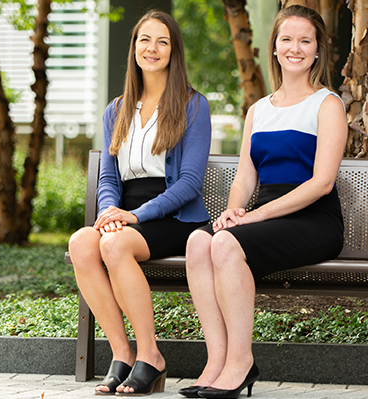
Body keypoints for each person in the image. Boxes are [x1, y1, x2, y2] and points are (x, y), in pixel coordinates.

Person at [180, 5, 347, 399]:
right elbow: (244, 177)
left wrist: (254, 217)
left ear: (318, 50)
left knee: (224, 242)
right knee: (199, 241)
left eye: (305, 41)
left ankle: (241, 363)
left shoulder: (327, 104)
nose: (295, 48)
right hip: (265, 216)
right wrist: (234, 210)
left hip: (314, 219)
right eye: (287, 39)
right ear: (274, 47)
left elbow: (322, 183)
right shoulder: (258, 110)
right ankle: (217, 361)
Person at [68, 10, 211, 396]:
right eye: (145, 40)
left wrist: (133, 216)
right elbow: (109, 178)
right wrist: (110, 213)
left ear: (173, 51)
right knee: (82, 242)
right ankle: (123, 354)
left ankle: (152, 355)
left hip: (174, 216)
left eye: (162, 41)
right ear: (134, 48)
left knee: (114, 245)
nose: (152, 48)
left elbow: (189, 184)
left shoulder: (193, 106)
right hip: (126, 214)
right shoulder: (116, 110)